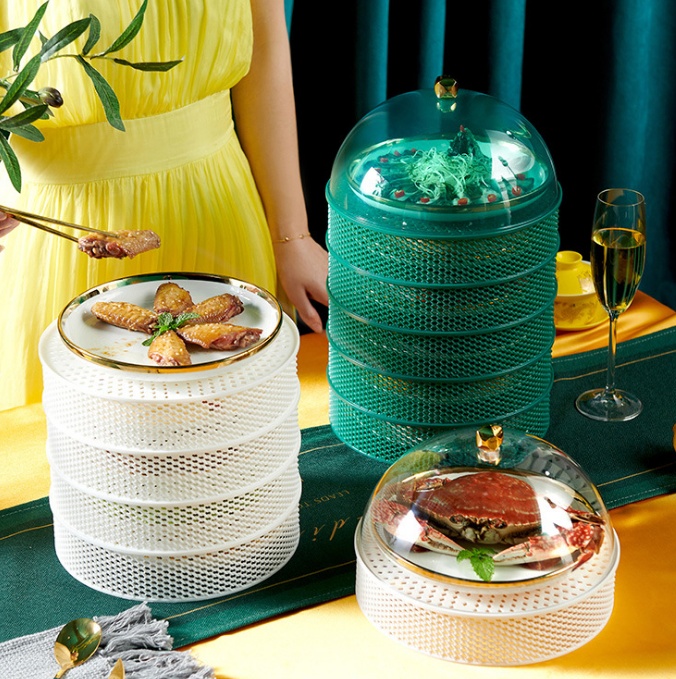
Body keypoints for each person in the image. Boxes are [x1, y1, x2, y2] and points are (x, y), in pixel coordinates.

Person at [0, 0, 328, 411]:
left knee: (236, 428)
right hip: (56, 229)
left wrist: (291, 235)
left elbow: (262, 49)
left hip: (222, 206)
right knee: (76, 431)